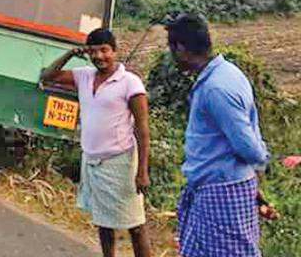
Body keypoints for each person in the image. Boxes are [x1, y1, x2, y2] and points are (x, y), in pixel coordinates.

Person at [166, 14, 274, 257]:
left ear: (181, 48)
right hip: (213, 188)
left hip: (221, 192)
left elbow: (249, 147)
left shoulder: (217, 88)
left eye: (172, 49)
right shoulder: (226, 73)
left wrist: (260, 163)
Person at [41, 28, 151, 257]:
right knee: (103, 222)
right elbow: (47, 76)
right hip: (92, 161)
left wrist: (142, 171)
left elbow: (142, 130)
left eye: (104, 50)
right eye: (93, 51)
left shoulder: (130, 83)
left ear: (115, 51)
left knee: (135, 224)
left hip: (120, 162)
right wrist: (71, 53)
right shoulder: (84, 76)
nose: (99, 56)